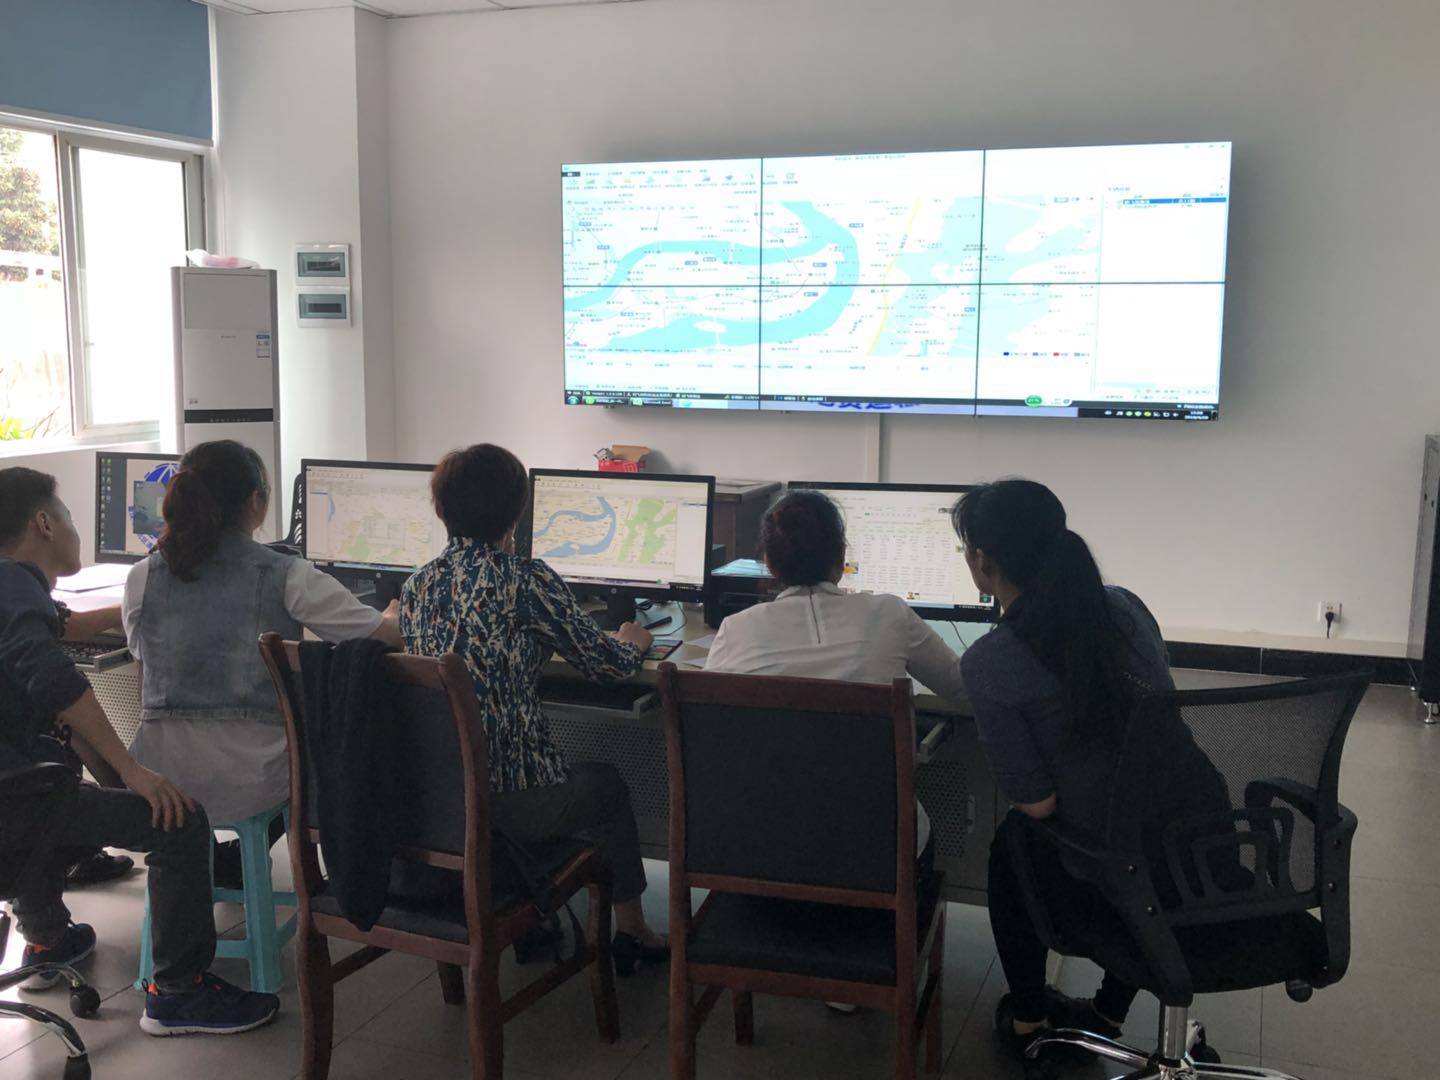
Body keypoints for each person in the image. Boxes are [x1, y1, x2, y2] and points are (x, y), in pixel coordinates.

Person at [0, 466, 279, 1035]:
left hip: (17, 789)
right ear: (44, 523)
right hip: (14, 803)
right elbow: (50, 676)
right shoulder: (15, 588)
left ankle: (48, 939)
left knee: (51, 773)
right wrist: (134, 772)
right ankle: (179, 992)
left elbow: (55, 652)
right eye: (68, 516)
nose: (74, 527)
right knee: (179, 819)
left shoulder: (13, 589)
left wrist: (147, 597)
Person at [400, 443, 667, 976]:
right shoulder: (526, 580)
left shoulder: (415, 587)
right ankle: (633, 930)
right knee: (607, 784)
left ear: (441, 508)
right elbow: (607, 665)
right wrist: (633, 641)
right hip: (515, 800)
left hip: (444, 802)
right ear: (517, 511)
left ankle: (533, 908)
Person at [952, 479, 1179, 1070]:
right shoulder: (1125, 608)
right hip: (1193, 840)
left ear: (983, 561)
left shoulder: (992, 662)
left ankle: (1028, 1018)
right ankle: (1107, 1012)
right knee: (1130, 818)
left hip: (1108, 862)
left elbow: (1038, 805)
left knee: (1013, 841)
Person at [122, 440, 402, 845]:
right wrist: (391, 614)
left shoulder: (141, 577)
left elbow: (143, 671)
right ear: (255, 502)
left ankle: (219, 861)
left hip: (162, 778)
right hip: (253, 781)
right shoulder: (286, 575)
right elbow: (381, 636)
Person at [704, 488, 968, 865]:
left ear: (769, 564)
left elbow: (710, 737)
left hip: (763, 849)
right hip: (879, 853)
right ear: (842, 557)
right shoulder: (889, 615)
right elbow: (964, 690)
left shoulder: (735, 630)